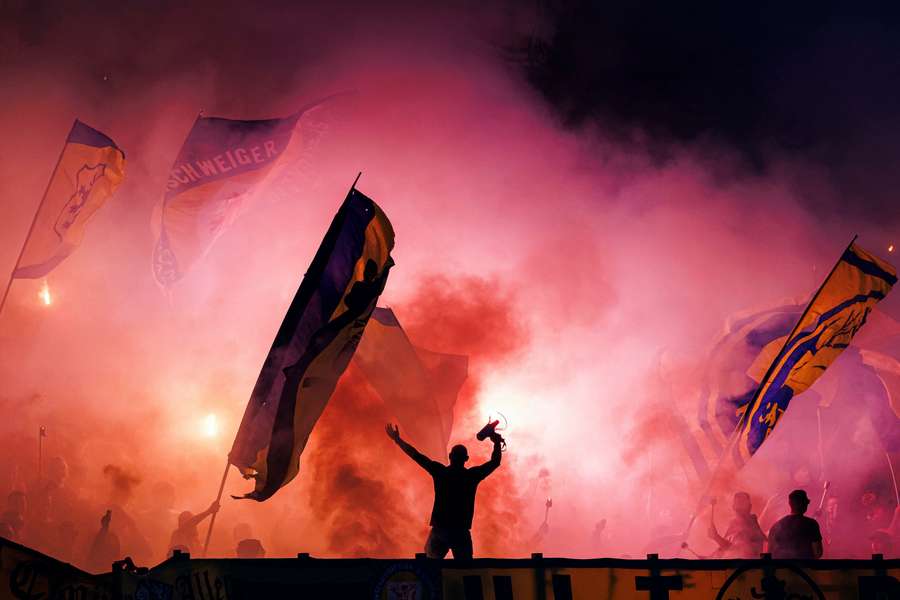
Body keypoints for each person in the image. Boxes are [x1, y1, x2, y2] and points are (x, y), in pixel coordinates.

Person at [385, 422, 502, 559]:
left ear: (450, 456)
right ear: (466, 459)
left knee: (430, 570)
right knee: (466, 570)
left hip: (440, 529)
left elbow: (416, 455)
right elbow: (495, 462)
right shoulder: (471, 476)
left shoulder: (440, 472)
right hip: (460, 531)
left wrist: (398, 440)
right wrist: (497, 443)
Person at [767, 490, 823, 559]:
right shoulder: (811, 524)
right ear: (803, 504)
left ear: (790, 504)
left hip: (782, 569)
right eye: (806, 503)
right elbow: (818, 552)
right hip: (804, 568)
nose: (807, 505)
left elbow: (769, 553)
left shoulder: (776, 526)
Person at [708, 492, 766, 558]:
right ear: (733, 507)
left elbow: (738, 551)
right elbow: (724, 549)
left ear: (749, 507)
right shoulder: (734, 524)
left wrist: (717, 537)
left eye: (742, 503)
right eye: (737, 504)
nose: (739, 506)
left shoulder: (751, 526)